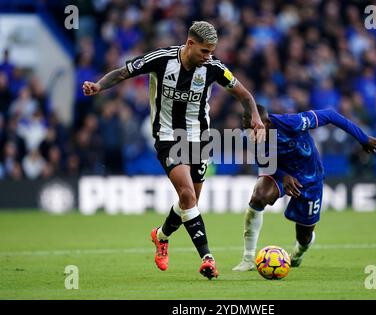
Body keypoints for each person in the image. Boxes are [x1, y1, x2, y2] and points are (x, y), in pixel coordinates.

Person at [83, 21, 265, 279]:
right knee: (188, 196)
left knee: (188, 203)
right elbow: (123, 73)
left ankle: (160, 236)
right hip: (168, 136)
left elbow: (245, 95)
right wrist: (99, 86)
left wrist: (255, 117)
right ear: (190, 43)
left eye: (211, 51)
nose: (208, 56)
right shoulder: (162, 59)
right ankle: (207, 258)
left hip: (200, 139)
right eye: (204, 51)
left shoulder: (213, 68)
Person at [233, 104, 376, 271]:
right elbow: (262, 161)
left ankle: (298, 252)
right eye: (246, 129)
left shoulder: (292, 122)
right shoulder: (251, 137)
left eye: (253, 129)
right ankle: (248, 258)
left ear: (266, 123)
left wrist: (363, 138)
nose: (250, 134)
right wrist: (283, 176)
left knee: (304, 236)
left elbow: (331, 115)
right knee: (259, 197)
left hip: (309, 176)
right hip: (278, 172)